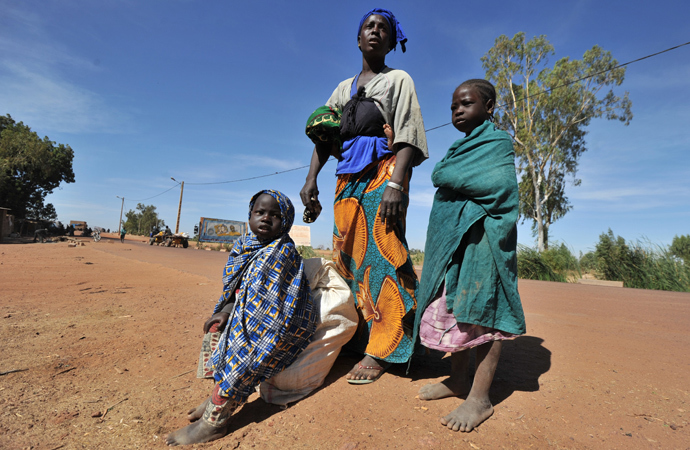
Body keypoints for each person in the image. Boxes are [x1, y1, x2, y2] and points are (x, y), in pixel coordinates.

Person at [300, 8, 428, 384]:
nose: (374, 32)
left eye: (382, 28)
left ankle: (385, 347)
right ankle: (357, 339)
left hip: (382, 175)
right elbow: (324, 136)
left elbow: (407, 134)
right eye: (368, 27)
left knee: (383, 252)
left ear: (391, 41)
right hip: (346, 182)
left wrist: (396, 184)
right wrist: (312, 179)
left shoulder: (398, 80)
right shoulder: (343, 88)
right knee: (347, 260)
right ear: (358, 39)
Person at [413, 79, 526, 432]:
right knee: (457, 309)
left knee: (486, 315)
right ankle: (457, 379)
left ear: (489, 107)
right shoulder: (460, 148)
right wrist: (450, 177)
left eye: (465, 103)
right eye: (452, 106)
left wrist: (449, 176)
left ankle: (479, 398)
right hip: (459, 245)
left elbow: (501, 189)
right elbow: (445, 175)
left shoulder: (497, 142)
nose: (457, 111)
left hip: (486, 244)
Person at [165, 190, 317, 446]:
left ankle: (215, 422)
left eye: (275, 215)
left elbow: (275, 304)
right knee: (215, 331)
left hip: (274, 325)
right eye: (260, 212)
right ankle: (218, 393)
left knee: (242, 356)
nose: (266, 218)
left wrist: (244, 325)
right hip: (242, 314)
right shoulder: (245, 246)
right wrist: (225, 311)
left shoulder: (282, 252)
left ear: (287, 221)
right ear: (250, 215)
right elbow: (236, 288)